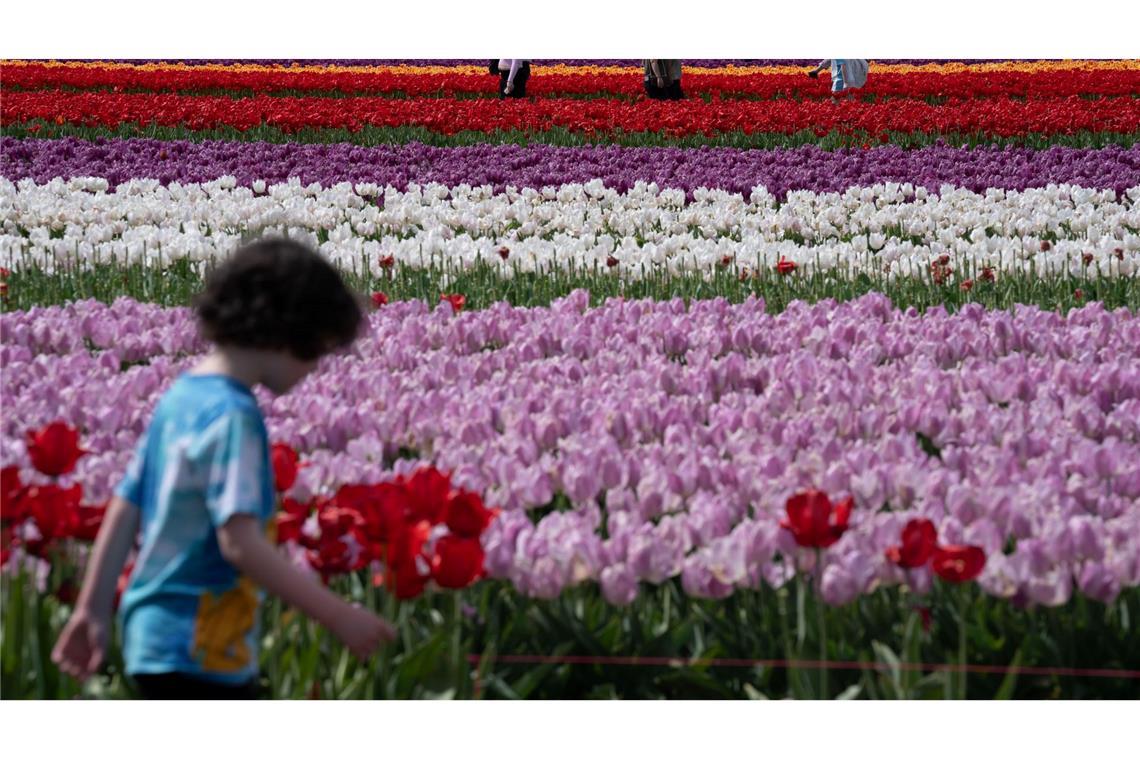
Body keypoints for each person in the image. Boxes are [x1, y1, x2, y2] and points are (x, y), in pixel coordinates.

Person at [51, 238, 396, 700]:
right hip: (205, 643)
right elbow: (239, 542)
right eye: (316, 349)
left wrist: (91, 611)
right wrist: (336, 615)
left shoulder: (180, 398)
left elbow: (125, 506)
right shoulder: (234, 417)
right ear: (286, 331)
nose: (314, 368)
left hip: (150, 638)